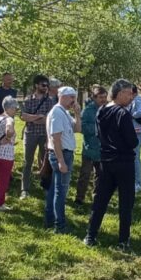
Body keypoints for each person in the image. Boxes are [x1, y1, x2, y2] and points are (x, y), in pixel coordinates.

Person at [84, 79, 138, 251]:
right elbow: (132, 141)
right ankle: (123, 241)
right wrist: (130, 136)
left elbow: (100, 134)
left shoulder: (101, 110)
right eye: (129, 93)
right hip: (123, 162)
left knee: (100, 199)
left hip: (105, 161)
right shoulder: (122, 113)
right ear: (119, 93)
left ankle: (90, 235)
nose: (131, 97)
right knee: (126, 202)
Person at [45, 86, 81, 233]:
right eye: (70, 97)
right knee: (61, 191)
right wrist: (61, 161)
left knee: (55, 189)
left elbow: (77, 129)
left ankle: (50, 220)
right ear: (62, 96)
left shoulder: (64, 112)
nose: (73, 100)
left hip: (65, 153)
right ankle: (59, 226)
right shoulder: (57, 113)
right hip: (61, 154)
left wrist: (77, 114)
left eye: (74, 97)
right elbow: (56, 139)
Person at [19, 75, 55, 199]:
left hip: (45, 135)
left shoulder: (50, 101)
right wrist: (38, 117)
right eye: (43, 85)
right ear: (36, 85)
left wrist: (33, 118)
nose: (45, 87)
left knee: (45, 162)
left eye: (47, 85)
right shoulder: (28, 100)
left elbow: (48, 119)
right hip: (30, 134)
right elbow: (23, 116)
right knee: (27, 162)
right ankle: (24, 189)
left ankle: (45, 187)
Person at [75, 86, 107, 206]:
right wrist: (97, 128)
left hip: (103, 150)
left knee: (100, 176)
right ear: (94, 98)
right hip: (90, 149)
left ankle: (97, 198)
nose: (103, 99)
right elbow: (81, 127)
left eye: (105, 97)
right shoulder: (88, 111)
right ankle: (79, 198)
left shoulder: (109, 109)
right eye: (100, 97)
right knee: (85, 175)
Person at [129, 85, 141, 192]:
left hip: (139, 132)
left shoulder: (138, 99)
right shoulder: (134, 100)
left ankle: (138, 183)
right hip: (135, 131)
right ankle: (133, 181)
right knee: (134, 157)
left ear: (133, 92)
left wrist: (129, 115)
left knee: (135, 157)